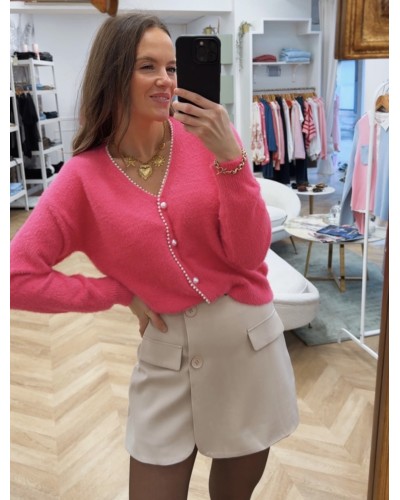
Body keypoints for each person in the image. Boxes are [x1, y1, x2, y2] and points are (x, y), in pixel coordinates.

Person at [10, 12, 299, 500]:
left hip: (248, 346)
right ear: (113, 75)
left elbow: (249, 257)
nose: (166, 80)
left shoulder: (209, 141)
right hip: (166, 357)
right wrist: (116, 292)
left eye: (172, 67)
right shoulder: (82, 179)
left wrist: (231, 163)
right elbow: (15, 276)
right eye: (148, 66)